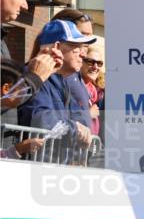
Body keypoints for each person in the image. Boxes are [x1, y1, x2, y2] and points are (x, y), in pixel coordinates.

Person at [17, 20, 96, 148]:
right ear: (57, 47)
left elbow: (80, 121)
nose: (83, 54)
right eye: (76, 47)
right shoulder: (35, 77)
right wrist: (75, 129)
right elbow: (41, 121)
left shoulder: (63, 81)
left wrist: (80, 132)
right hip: (35, 165)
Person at [80, 43, 104, 138]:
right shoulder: (71, 86)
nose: (95, 67)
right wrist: (88, 114)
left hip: (92, 147)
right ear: (80, 62)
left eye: (99, 63)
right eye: (90, 62)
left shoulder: (96, 92)